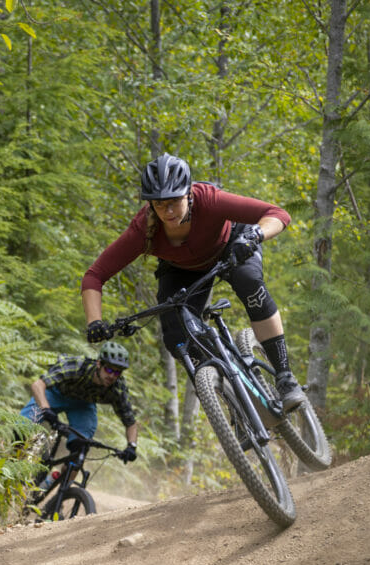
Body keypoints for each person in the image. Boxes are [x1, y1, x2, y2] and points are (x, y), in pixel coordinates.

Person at [81, 153, 306, 410]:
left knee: (249, 281)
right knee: (175, 333)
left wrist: (256, 234)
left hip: (233, 244)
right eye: (159, 204)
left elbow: (277, 214)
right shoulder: (143, 229)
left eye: (175, 201)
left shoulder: (209, 200)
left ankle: (285, 378)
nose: (167, 211)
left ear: (188, 194)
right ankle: (233, 399)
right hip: (182, 268)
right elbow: (94, 276)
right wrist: (95, 321)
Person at [20, 341, 139, 462]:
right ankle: (8, 465)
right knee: (20, 429)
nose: (112, 376)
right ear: (99, 364)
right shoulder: (77, 366)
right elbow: (38, 385)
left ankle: (53, 480)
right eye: (109, 370)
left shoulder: (117, 388)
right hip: (56, 393)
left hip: (83, 405)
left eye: (117, 372)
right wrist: (45, 409)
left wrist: (132, 446)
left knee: (80, 450)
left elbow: (130, 422)